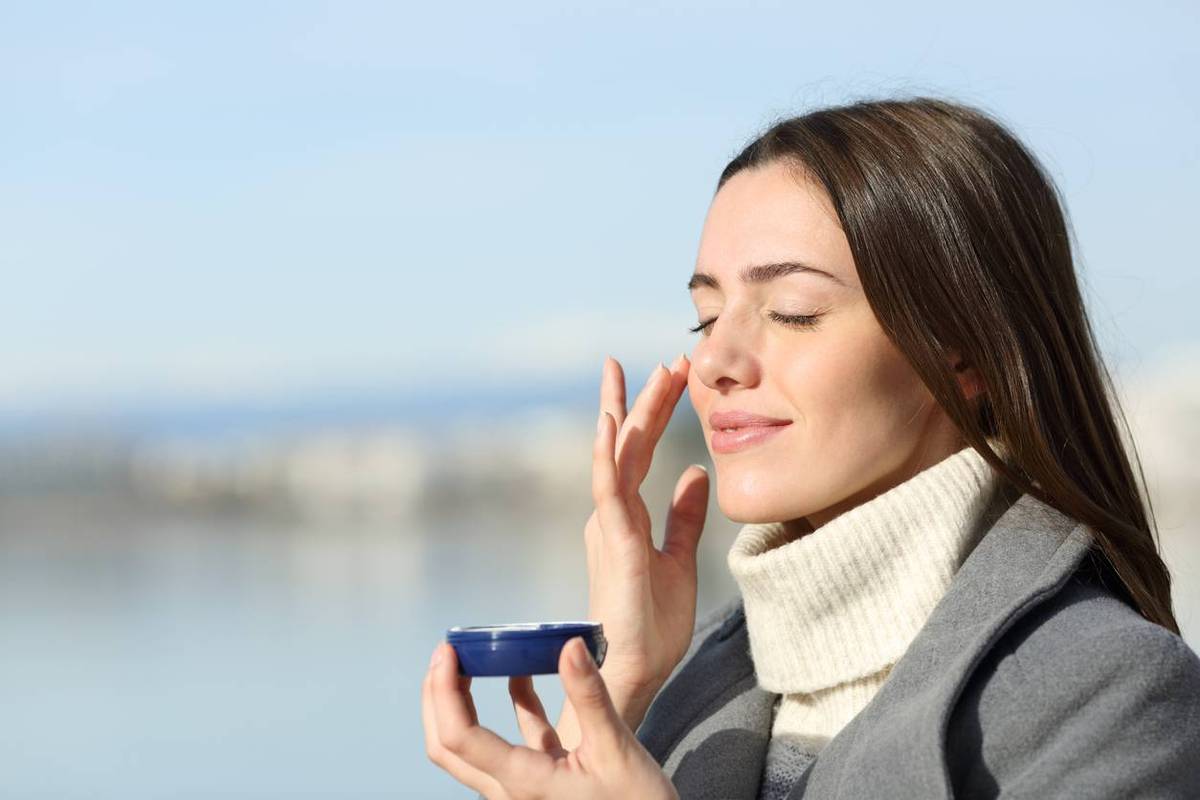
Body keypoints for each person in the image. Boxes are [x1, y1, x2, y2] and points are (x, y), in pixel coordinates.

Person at [421, 95, 1200, 798]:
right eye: (706, 317)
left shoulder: (1109, 693)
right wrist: (623, 687)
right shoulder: (700, 687)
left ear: (962, 353)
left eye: (792, 310)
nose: (715, 363)